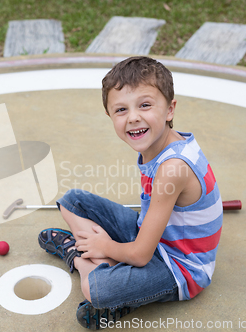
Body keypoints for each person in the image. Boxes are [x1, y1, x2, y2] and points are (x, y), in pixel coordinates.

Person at [38, 56, 223, 330]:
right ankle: (114, 273)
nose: (133, 117)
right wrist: (115, 248)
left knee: (97, 290)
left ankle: (79, 257)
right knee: (71, 201)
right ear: (110, 116)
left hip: (180, 268)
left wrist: (104, 246)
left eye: (145, 105)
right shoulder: (158, 145)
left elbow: (140, 255)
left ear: (170, 109)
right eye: (121, 110)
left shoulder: (173, 167)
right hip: (153, 238)